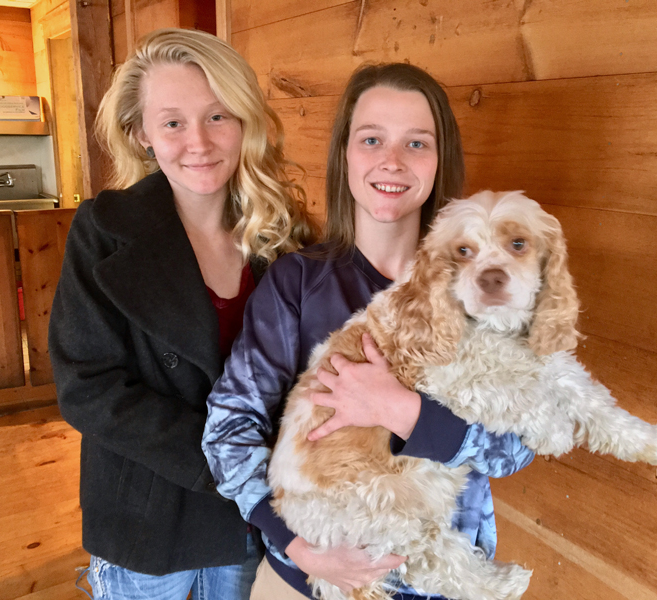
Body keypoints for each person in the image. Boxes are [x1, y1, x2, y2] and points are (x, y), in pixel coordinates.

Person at [202, 62, 535, 600]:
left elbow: (516, 447)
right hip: (306, 581)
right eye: (372, 139)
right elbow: (230, 425)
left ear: (439, 159)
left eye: (416, 143)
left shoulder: (481, 289)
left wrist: (401, 411)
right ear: (346, 155)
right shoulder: (298, 282)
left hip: (445, 582)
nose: (392, 161)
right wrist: (297, 544)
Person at [48, 28, 316, 600]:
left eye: (218, 115)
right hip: (147, 518)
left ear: (246, 121)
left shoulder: (284, 234)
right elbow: (87, 387)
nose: (198, 141)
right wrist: (229, 459)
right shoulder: (103, 230)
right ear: (141, 134)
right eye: (172, 122)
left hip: (253, 520)